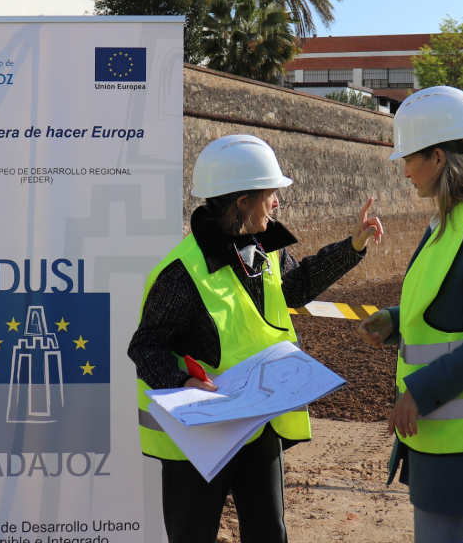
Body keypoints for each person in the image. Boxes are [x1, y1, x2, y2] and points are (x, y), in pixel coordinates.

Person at [128, 134, 383, 543]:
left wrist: (352, 247)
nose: (278, 202)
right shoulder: (181, 271)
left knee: (268, 534)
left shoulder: (265, 248)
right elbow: (146, 347)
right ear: (242, 201)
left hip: (259, 426)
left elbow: (295, 288)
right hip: (201, 438)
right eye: (271, 194)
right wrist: (182, 383)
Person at [356, 86, 463, 543]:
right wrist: (393, 320)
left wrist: (421, 391)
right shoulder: (449, 219)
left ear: (436, 157)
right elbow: (450, 307)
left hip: (461, 441)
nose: (405, 171)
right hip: (438, 435)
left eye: (409, 158)